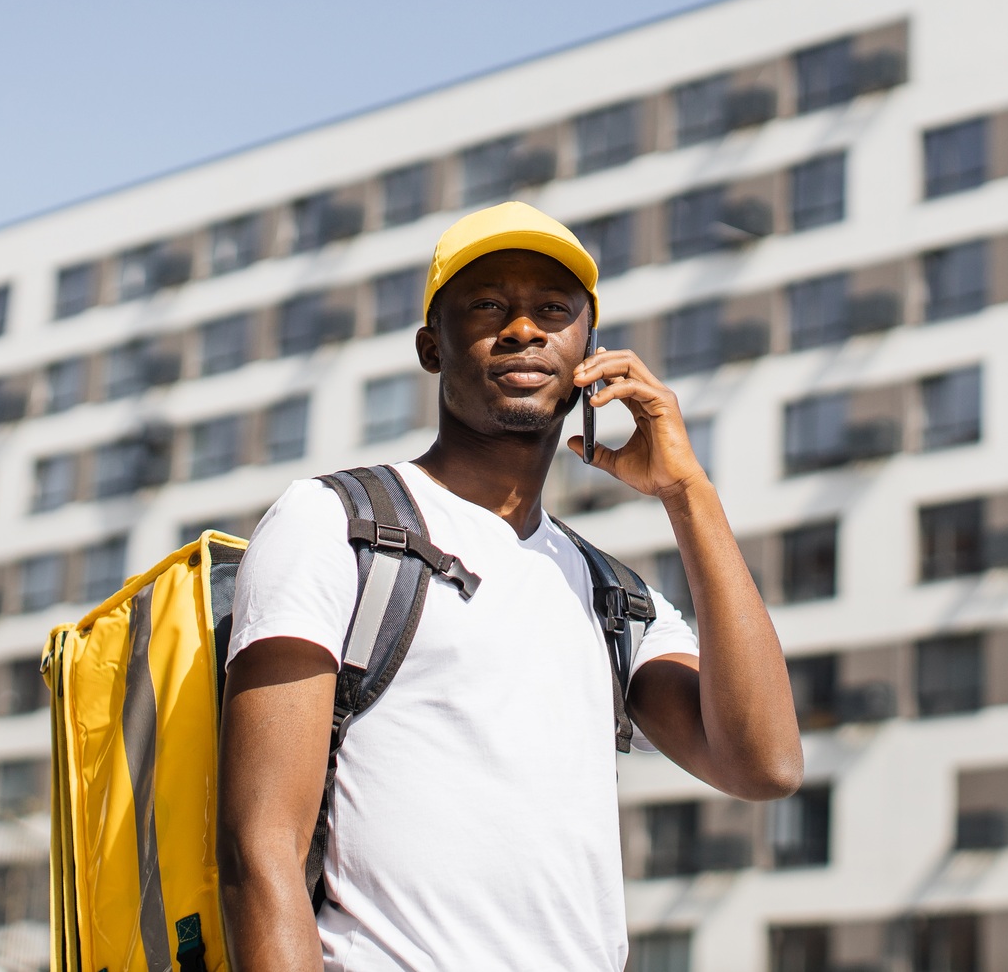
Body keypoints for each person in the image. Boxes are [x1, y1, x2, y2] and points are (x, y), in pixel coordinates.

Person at [221, 201, 802, 972]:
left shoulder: (609, 596)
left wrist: (688, 492)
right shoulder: (334, 523)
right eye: (489, 305)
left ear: (589, 348)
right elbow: (259, 851)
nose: (524, 328)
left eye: (553, 310)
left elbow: (765, 764)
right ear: (433, 345)